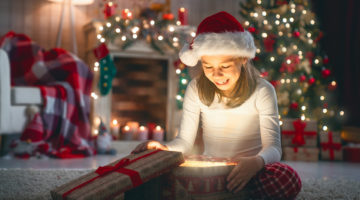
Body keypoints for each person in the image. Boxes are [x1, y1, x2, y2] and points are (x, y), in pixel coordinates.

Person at [133, 11, 301, 199]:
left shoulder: (263, 90)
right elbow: (185, 143)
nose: (217, 75)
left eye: (225, 67)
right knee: (155, 175)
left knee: (287, 179)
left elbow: (274, 149)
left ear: (243, 59)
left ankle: (221, 192)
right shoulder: (195, 88)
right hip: (210, 168)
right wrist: (165, 149)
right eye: (208, 67)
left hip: (249, 170)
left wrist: (256, 162)